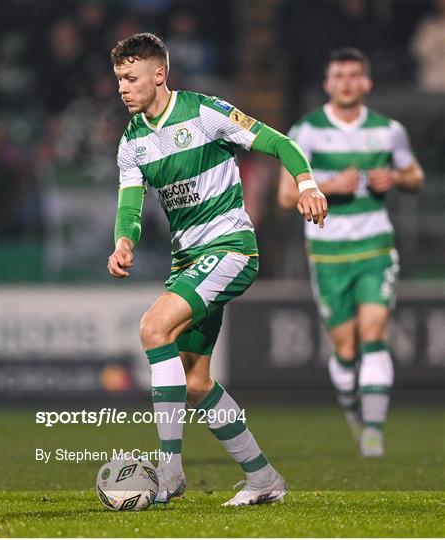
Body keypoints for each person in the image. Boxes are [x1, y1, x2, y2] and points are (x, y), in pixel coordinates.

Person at [107, 33, 327, 506]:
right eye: (119, 79)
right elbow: (130, 207)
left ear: (159, 74)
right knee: (195, 381)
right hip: (188, 260)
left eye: (130, 78)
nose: (123, 88)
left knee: (153, 327)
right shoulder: (132, 141)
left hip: (230, 249)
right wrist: (123, 242)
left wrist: (307, 183)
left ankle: (169, 472)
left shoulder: (204, 112)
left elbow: (280, 142)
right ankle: (264, 480)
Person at [278, 48, 424, 457]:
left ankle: (374, 432)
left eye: (353, 76)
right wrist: (327, 187)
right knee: (344, 349)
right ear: (327, 84)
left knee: (374, 334)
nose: (346, 83)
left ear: (366, 83)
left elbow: (415, 176)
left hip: (375, 245)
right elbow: (286, 194)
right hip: (327, 253)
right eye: (338, 76)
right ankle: (355, 414)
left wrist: (393, 177)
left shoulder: (387, 130)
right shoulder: (306, 131)